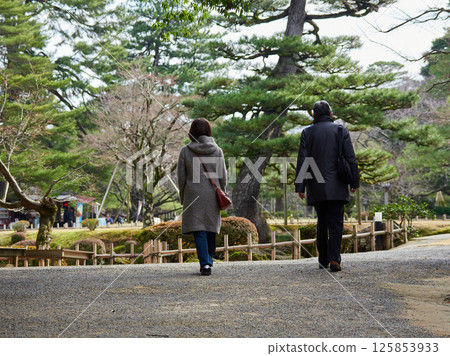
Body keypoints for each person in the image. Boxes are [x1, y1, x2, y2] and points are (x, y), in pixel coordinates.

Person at [295, 100, 360, 272]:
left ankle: (323, 259)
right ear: (331, 114)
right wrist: (354, 181)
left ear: (314, 116)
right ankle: (334, 259)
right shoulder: (340, 130)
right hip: (337, 184)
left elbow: (303, 160)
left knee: (322, 221)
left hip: (316, 186)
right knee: (336, 223)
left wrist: (300, 186)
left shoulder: (307, 133)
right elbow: (350, 158)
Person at [177, 118, 227, 276]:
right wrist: (222, 191)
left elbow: (181, 177)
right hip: (213, 194)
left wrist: (183, 195)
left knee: (199, 230)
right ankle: (208, 259)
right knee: (211, 229)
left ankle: (205, 263)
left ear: (192, 132)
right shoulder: (217, 150)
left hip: (193, 195)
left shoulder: (185, 151)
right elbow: (223, 175)